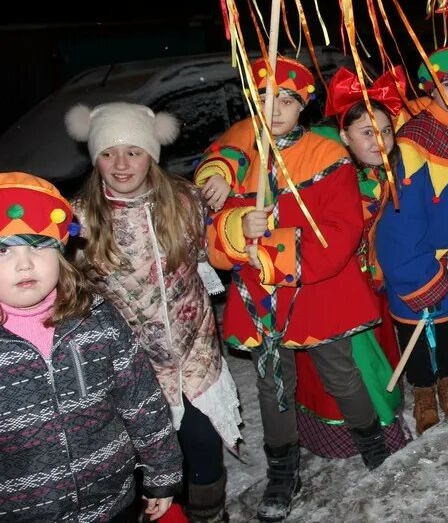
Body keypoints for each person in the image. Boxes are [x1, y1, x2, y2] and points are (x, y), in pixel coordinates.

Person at [201, 56, 391, 522]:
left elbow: (342, 232)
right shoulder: (233, 157)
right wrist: (235, 227)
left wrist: (272, 248)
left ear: (303, 106)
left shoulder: (327, 158)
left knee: (340, 374)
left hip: (315, 292)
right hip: (261, 299)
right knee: (272, 385)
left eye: (287, 100)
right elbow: (212, 242)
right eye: (267, 99)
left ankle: (374, 445)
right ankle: (283, 470)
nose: (277, 108)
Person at [65, 102, 242, 522]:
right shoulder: (78, 219)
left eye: (134, 151)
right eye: (108, 153)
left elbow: (217, 244)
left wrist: (226, 179)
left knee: (203, 450)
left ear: (151, 154)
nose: (121, 164)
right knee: (152, 463)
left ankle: (210, 514)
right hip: (130, 371)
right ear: (95, 158)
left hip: (195, 356)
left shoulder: (184, 200)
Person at [0, 172, 182, 522]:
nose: (24, 263)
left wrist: (163, 472)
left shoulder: (96, 318)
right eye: (3, 250)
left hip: (113, 502)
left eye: (37, 245)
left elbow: (141, 399)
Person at [288, 67, 410, 457]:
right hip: (336, 289)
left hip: (372, 285)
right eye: (367, 133)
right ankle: (370, 436)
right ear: (343, 136)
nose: (380, 141)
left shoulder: (384, 170)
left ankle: (379, 427)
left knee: (376, 360)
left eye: (387, 131)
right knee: (354, 369)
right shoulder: (325, 174)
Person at [375, 47, 448, 433]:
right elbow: (401, 215)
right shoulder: (414, 140)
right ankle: (422, 390)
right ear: (430, 89)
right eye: (446, 84)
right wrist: (414, 270)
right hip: (416, 256)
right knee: (413, 328)